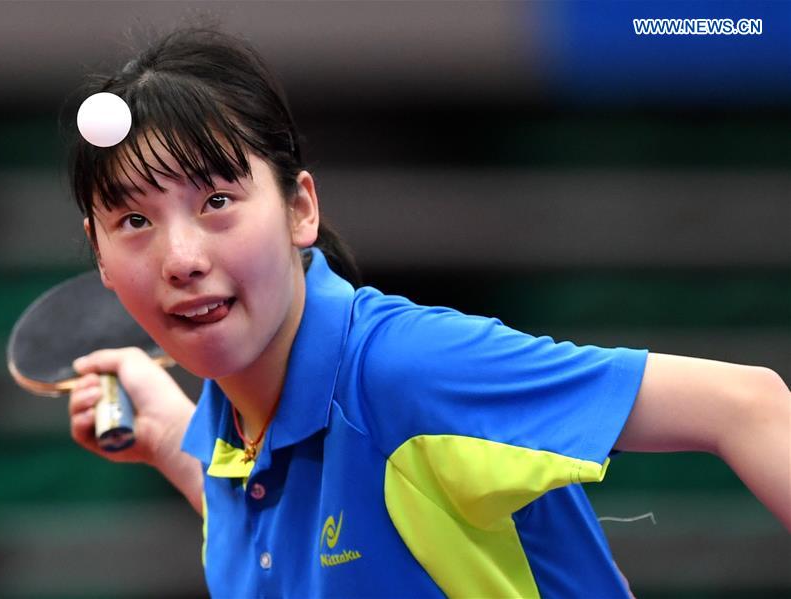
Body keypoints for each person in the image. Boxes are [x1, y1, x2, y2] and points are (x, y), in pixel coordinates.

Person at [64, 26, 790, 598]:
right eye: (134, 221)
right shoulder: (235, 440)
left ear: (299, 209)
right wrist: (171, 439)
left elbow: (746, 404)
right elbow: (305, 552)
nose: (180, 256)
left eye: (216, 201)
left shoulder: (402, 372)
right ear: (97, 253)